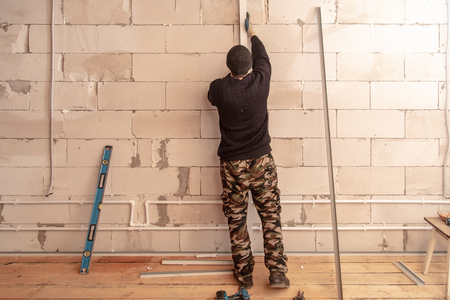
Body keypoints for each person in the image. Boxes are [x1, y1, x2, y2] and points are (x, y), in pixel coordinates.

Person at [207, 14, 289, 289]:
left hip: (232, 166)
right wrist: (251, 32)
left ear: (228, 66)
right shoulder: (261, 82)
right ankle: (277, 273)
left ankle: (245, 275)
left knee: (237, 219)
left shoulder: (219, 89)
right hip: (261, 163)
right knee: (270, 217)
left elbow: (211, 94)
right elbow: (263, 55)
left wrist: (231, 76)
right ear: (252, 67)